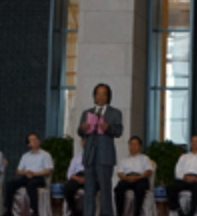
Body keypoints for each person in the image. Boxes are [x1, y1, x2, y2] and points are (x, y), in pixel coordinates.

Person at [78, 83, 125, 216]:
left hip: (105, 156)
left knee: (105, 189)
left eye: (104, 94)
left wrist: (108, 128)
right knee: (89, 190)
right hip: (89, 155)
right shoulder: (87, 113)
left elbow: (119, 131)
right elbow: (80, 131)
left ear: (108, 97)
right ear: (94, 96)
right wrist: (83, 128)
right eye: (98, 94)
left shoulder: (115, 113)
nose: (100, 96)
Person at [3, 133, 53, 216]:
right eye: (32, 140)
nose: (35, 141)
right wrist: (25, 173)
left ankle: (35, 211)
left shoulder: (46, 155)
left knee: (31, 185)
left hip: (39, 177)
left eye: (36, 139)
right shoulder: (25, 156)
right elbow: (18, 171)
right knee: (10, 184)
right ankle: (9, 210)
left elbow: (48, 171)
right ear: (29, 144)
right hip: (26, 176)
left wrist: (34, 173)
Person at [166, 134, 197, 216]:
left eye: (196, 141)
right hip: (185, 180)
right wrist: (184, 177)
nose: (194, 143)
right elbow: (177, 171)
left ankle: (191, 212)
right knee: (170, 187)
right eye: (192, 141)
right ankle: (178, 210)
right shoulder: (183, 157)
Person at [114, 136, 154, 216]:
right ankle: (119, 213)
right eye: (131, 144)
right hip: (127, 178)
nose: (133, 146)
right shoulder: (123, 160)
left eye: (135, 144)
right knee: (118, 188)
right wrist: (126, 178)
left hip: (140, 178)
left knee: (140, 188)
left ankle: (137, 213)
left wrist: (139, 177)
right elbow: (120, 173)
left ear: (140, 146)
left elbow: (148, 171)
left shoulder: (145, 158)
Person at [64, 139, 86, 216]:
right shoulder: (76, 157)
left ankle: (85, 212)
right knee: (67, 188)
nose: (85, 143)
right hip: (77, 176)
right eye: (83, 141)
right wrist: (77, 178)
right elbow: (69, 174)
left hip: (90, 177)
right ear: (82, 144)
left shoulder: (97, 157)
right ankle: (74, 211)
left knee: (91, 190)